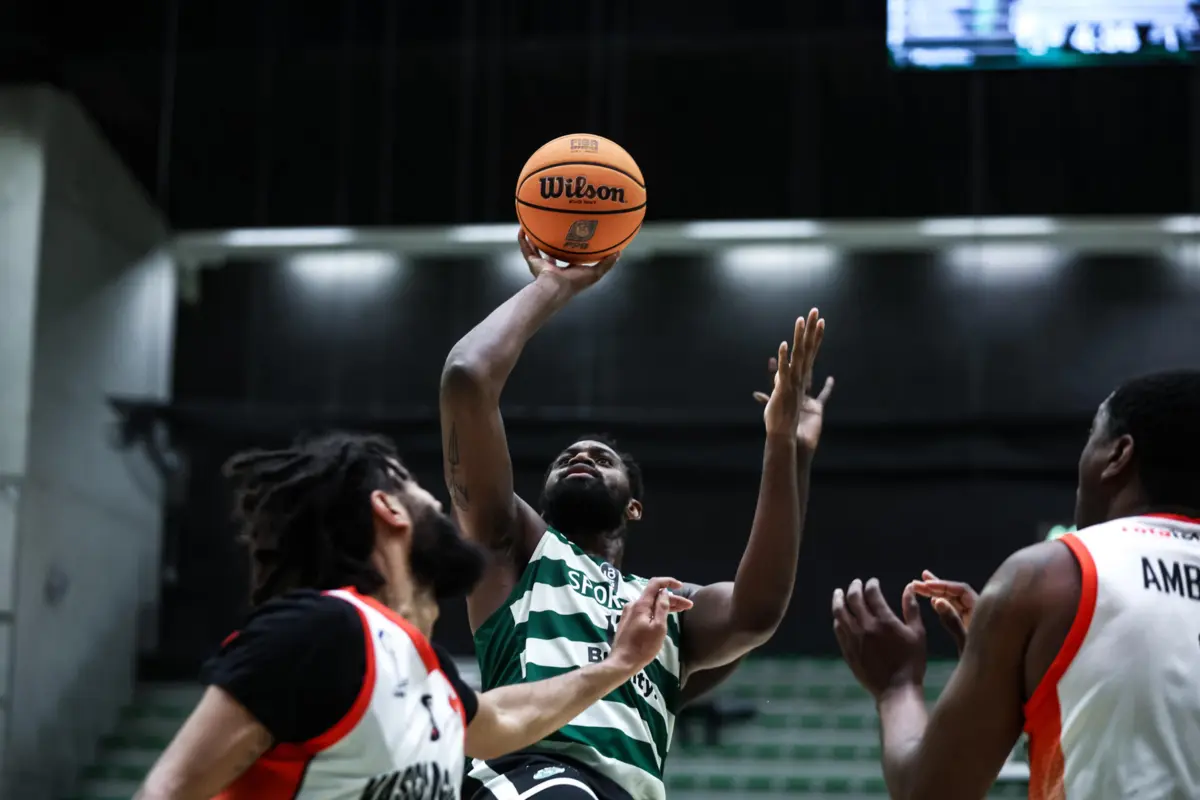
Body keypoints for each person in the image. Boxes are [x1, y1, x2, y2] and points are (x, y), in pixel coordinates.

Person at [440, 234, 833, 800]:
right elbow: (467, 378)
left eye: (601, 459)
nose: (580, 456)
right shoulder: (516, 550)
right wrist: (552, 285)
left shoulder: (664, 607)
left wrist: (786, 446)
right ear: (542, 500)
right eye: (566, 458)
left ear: (634, 506)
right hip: (531, 775)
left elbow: (758, 610)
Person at [135, 431, 692, 800]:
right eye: (415, 486)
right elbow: (168, 789)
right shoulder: (321, 629)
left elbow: (505, 720)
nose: (440, 499)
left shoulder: (423, 672)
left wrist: (619, 665)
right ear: (389, 509)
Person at [831, 370, 1200, 800]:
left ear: (1118, 455)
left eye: (1091, 437)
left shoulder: (1049, 577)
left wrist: (897, 687)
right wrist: (1029, 680)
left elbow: (928, 793)